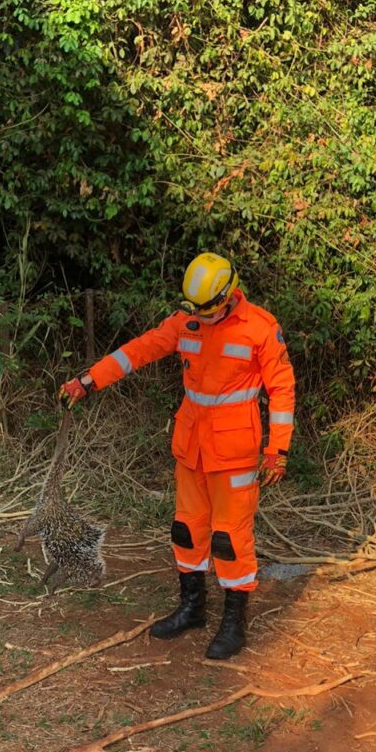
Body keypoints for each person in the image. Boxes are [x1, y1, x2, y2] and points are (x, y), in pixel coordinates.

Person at [59, 252, 295, 659]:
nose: (198, 317)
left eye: (205, 309)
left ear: (225, 297)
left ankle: (234, 622)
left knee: (229, 538)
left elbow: (282, 389)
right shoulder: (185, 322)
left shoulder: (259, 328)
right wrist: (89, 380)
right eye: (194, 309)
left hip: (235, 452)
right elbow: (138, 350)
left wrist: (278, 449)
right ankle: (192, 608)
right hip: (192, 447)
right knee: (186, 529)